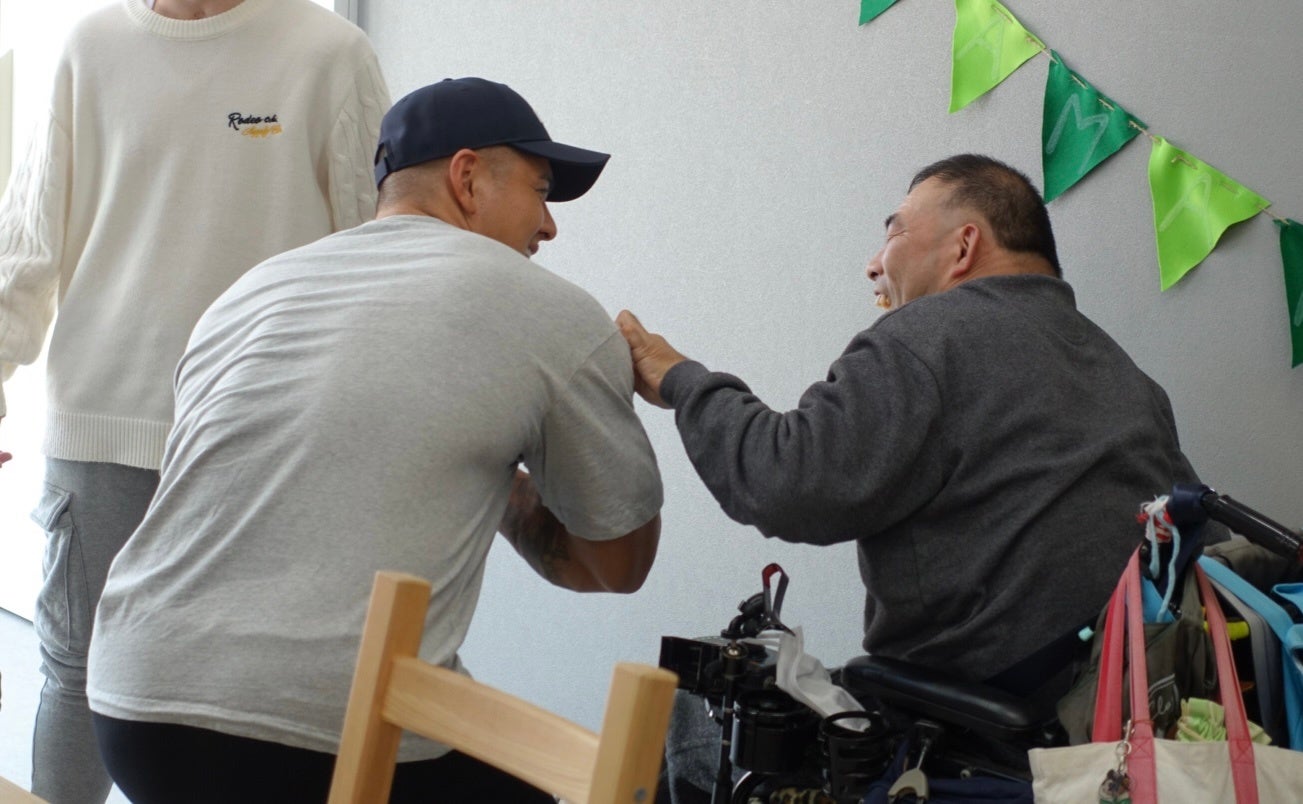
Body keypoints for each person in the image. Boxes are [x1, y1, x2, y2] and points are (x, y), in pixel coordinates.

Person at [84, 76, 663, 803]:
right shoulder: (555, 313)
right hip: (315, 730)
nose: (548, 227)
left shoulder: (251, 292)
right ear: (467, 177)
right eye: (540, 190)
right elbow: (616, 563)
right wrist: (509, 482)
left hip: (131, 704)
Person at [617, 154, 1217, 803]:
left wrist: (681, 380)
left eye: (894, 232)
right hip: (1115, 714)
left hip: (978, 728)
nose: (874, 264)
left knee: (690, 712)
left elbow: (782, 483)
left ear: (964, 245)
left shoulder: (926, 337)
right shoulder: (1127, 377)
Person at [0, 1, 389, 801]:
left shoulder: (328, 53)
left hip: (266, 446)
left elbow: (377, 252)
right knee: (76, 674)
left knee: (245, 698)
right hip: (103, 427)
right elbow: (26, 246)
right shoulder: (89, 48)